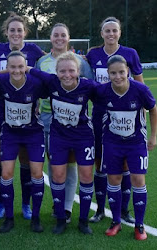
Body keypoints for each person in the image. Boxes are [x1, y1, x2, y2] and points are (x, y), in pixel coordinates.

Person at [30, 51, 97, 234]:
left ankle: (83, 221)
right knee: (58, 175)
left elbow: (110, 93)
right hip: (58, 136)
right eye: (62, 71)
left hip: (83, 136)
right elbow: (27, 69)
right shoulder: (52, 82)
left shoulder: (88, 86)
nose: (67, 75)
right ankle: (60, 218)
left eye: (71, 71)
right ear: (56, 72)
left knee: (86, 176)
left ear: (78, 71)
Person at [86, 16, 143, 223]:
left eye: (114, 31)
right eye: (107, 31)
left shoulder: (130, 54)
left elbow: (139, 85)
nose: (111, 34)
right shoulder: (92, 54)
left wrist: (142, 113)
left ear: (119, 33)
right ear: (101, 34)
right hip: (101, 116)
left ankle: (124, 210)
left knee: (125, 163)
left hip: (126, 117)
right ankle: (100, 210)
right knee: (100, 163)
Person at [0, 12, 44, 220]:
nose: (15, 33)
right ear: (6, 32)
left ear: (25, 33)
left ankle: (26, 204)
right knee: (4, 159)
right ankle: (2, 204)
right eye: (12, 30)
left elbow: (46, 67)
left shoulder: (33, 50)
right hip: (3, 113)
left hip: (28, 112)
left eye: (19, 30)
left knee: (25, 160)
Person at [96, 55, 156, 240]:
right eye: (113, 73)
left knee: (138, 179)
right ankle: (116, 221)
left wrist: (154, 136)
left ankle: (139, 225)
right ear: (108, 74)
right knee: (113, 179)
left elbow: (153, 109)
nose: (118, 76)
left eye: (121, 72)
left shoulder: (140, 89)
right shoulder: (103, 91)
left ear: (127, 72)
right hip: (112, 142)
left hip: (136, 142)